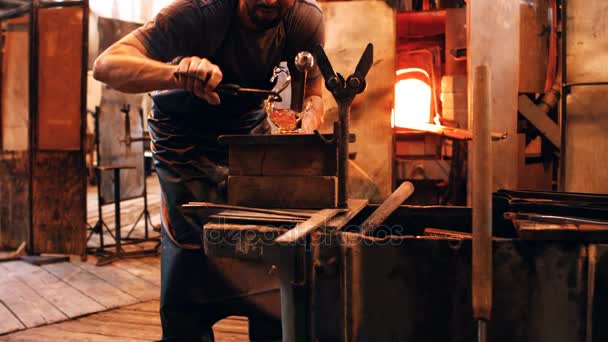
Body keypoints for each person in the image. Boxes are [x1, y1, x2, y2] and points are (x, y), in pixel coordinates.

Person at [93, 0, 325, 340]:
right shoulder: (196, 13)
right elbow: (106, 65)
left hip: (247, 133)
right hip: (182, 139)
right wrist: (176, 75)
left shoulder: (303, 19)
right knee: (192, 251)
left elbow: (314, 90)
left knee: (266, 245)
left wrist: (308, 121)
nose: (271, 1)